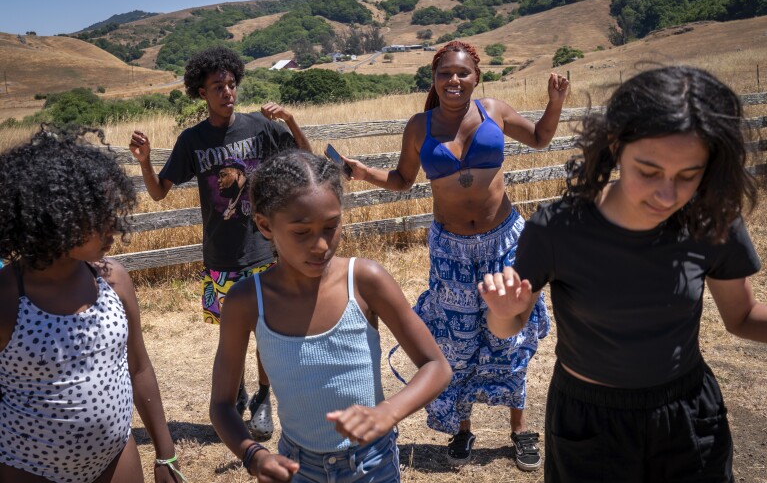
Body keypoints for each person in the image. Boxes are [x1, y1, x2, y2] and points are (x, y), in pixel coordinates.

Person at [485, 65, 767, 482]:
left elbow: (741, 318)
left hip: (687, 418)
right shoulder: (557, 228)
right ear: (616, 146)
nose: (667, 194)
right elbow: (509, 325)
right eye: (649, 172)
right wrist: (504, 309)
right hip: (589, 424)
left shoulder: (711, 220)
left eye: (689, 175)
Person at [342, 40, 570, 469]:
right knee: (456, 342)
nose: (454, 80)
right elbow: (402, 180)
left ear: (476, 77)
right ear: (434, 78)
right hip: (451, 251)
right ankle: (463, 430)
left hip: (503, 242)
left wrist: (554, 102)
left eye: (462, 73)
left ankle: (519, 429)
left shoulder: (493, 111)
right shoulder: (418, 127)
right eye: (445, 73)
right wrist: (363, 172)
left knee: (511, 336)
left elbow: (541, 138)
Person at [209, 150, 452, 482]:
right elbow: (222, 404)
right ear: (265, 225)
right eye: (302, 232)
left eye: (331, 226)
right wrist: (254, 455)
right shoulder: (246, 301)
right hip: (297, 468)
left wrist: (387, 413)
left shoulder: (365, 281)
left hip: (372, 465)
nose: (321, 245)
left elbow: (437, 366)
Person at [129, 46, 311, 441]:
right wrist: (144, 162)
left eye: (231, 84)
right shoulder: (192, 140)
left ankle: (263, 398)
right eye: (217, 86)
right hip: (220, 253)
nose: (227, 92)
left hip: (263, 249)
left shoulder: (261, 128)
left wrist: (292, 122)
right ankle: (239, 390)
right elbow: (160, 192)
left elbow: (306, 161)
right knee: (232, 333)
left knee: (266, 330)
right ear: (200, 92)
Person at [0, 125, 184, 483]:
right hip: (30, 467)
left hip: (115, 459)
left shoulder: (112, 279)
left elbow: (139, 367)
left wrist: (166, 454)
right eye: (99, 216)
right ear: (55, 217)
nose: (114, 226)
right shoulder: (8, 298)